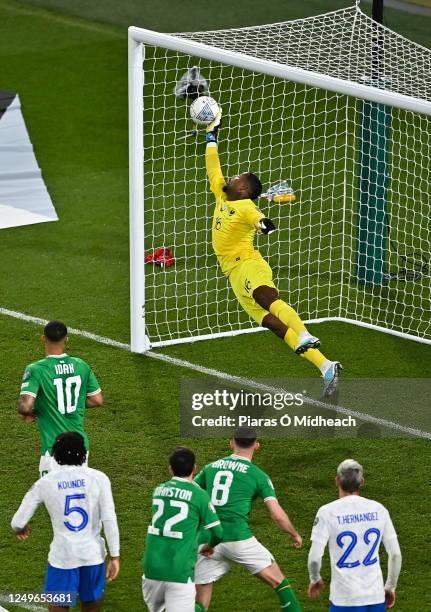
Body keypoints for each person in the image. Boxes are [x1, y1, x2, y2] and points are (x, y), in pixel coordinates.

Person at [204, 110, 342, 397]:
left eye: (240, 176)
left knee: (266, 298)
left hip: (248, 264)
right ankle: (325, 366)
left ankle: (304, 332)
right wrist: (211, 134)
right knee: (274, 326)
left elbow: (258, 219)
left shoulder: (245, 207)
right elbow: (213, 166)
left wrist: (265, 225)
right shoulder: (221, 193)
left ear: (244, 189)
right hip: (232, 273)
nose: (234, 174)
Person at [194, 426, 303, 611]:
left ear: (231, 443)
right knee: (280, 583)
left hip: (208, 541)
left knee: (200, 603)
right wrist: (294, 534)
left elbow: (190, 494)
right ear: (257, 446)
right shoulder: (259, 476)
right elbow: (277, 515)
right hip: (239, 539)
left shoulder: (209, 468)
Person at [11, 432, 120, 612]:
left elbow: (17, 521)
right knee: (91, 606)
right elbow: (109, 518)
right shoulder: (99, 478)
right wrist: (115, 556)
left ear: (55, 454)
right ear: (83, 453)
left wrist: (21, 528)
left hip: (62, 557)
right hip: (92, 555)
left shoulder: (45, 483)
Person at [308, 459, 402, 611]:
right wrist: (390, 587)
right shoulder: (379, 509)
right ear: (362, 482)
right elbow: (396, 555)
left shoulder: (327, 512)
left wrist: (315, 578)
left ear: (337, 480)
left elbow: (314, 558)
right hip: (375, 598)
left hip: (344, 600)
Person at [142, 447, 223, 612]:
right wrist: (210, 546)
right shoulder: (199, 495)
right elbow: (218, 533)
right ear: (195, 468)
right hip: (178, 570)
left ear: (170, 469)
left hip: (151, 569)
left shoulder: (158, 491)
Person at [18, 320, 103, 476]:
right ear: (67, 339)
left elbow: (25, 406)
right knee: (77, 494)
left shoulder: (36, 369)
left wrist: (30, 413)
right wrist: (74, 401)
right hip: (80, 446)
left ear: (43, 338)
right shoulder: (81, 365)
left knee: (53, 498)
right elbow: (97, 400)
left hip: (53, 449)